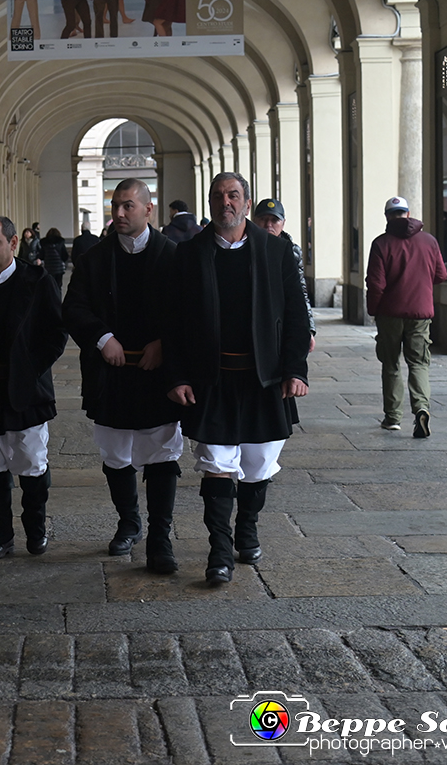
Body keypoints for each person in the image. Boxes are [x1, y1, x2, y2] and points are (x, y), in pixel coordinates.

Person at [166, 173, 310, 586]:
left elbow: (296, 315)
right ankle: (219, 551)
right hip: (212, 380)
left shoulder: (275, 251)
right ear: (210, 203)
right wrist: (176, 376)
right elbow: (173, 322)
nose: (225, 202)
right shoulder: (190, 253)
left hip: (263, 381)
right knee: (215, 464)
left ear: (246, 202)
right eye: (218, 196)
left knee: (258, 465)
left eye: (233, 195)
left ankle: (247, 528)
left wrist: (295, 369)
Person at [63, 178, 185, 574]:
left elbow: (192, 312)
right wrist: (102, 338)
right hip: (111, 373)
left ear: (149, 209)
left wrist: (164, 343)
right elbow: (74, 308)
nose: (119, 213)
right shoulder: (93, 260)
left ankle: (160, 536)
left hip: (156, 374)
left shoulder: (173, 257)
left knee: (162, 454)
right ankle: (129, 521)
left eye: (128, 206)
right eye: (115, 205)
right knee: (116, 455)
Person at [0, 216, 68, 560]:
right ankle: (0, 532)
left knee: (32, 462)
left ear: (13, 244)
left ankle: (35, 527)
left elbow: (56, 333)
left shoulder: (37, 281)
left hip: (25, 390)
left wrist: (30, 369)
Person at [366, 196, 447, 438]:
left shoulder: (381, 244)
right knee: (419, 363)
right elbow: (441, 275)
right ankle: (421, 408)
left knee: (390, 365)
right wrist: (421, 282)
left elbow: (376, 284)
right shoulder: (429, 241)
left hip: (390, 313)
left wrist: (374, 310)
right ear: (408, 214)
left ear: (387, 217)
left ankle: (392, 418)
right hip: (420, 313)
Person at [252, 198, 316, 352]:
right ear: (254, 221)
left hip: (283, 316)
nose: (268, 225)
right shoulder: (247, 248)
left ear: (283, 223)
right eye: (263, 219)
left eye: (274, 220)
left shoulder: (292, 251)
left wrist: (309, 328)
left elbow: (301, 291)